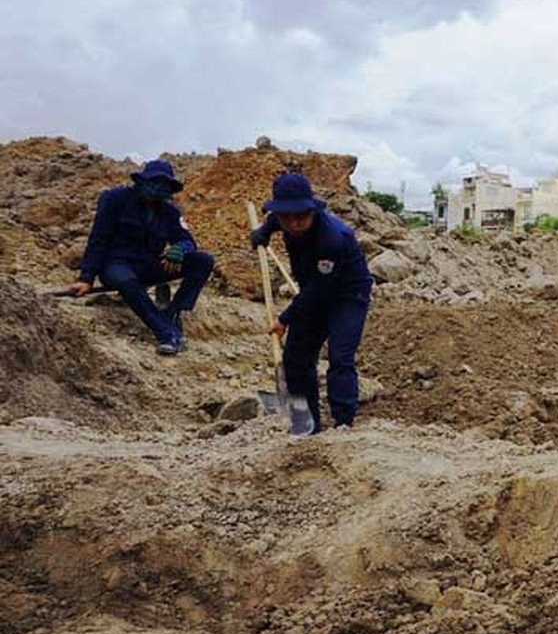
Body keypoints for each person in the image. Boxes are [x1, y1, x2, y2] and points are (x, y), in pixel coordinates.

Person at [250, 173, 373, 432]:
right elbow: (273, 221)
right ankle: (307, 423)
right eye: (287, 217)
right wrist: (262, 233)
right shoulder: (281, 219)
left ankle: (343, 423)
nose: (293, 224)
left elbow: (318, 292)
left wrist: (284, 319)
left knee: (340, 356)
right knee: (295, 357)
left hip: (347, 294)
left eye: (300, 216)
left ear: (312, 210)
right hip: (313, 288)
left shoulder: (333, 239)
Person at [68, 160, 214, 355]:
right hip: (115, 265)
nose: (158, 188)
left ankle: (172, 313)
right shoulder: (115, 199)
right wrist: (86, 278)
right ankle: (164, 332)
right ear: (143, 180)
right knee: (125, 279)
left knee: (203, 261)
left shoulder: (170, 212)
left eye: (164, 185)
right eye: (155, 182)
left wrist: (180, 249)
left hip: (147, 266)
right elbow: (98, 238)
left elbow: (187, 240)